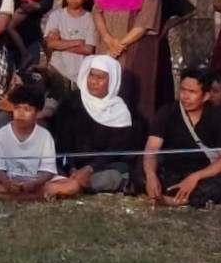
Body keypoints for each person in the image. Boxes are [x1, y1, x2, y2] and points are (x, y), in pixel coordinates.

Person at [143, 67, 221, 208]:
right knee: (141, 165)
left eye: (192, 92)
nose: (185, 96)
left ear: (206, 96)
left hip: (204, 173)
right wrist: (151, 176)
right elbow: (152, 148)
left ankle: (179, 200)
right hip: (172, 170)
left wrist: (195, 177)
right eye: (183, 90)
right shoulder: (166, 112)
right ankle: (169, 194)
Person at [47, 54, 146, 194]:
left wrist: (90, 168)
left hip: (103, 168)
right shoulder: (72, 102)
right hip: (71, 167)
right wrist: (72, 168)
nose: (94, 81)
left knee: (112, 177)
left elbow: (116, 152)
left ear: (112, 81)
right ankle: (70, 185)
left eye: (100, 78)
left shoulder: (121, 112)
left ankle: (68, 187)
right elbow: (63, 140)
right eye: (91, 76)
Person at [92, 0, 162, 123]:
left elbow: (144, 23)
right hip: (107, 46)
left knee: (131, 95)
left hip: (134, 49)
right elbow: (97, 12)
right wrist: (108, 40)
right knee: (104, 94)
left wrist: (119, 45)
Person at [0, 81, 66, 202]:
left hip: (35, 183)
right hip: (10, 181)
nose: (21, 114)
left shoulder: (45, 136)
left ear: (37, 113)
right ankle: (32, 198)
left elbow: (48, 171)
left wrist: (35, 183)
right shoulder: (3, 133)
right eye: (17, 108)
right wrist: (7, 183)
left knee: (71, 185)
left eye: (27, 109)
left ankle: (17, 197)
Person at [43, 0, 98, 85]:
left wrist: (60, 44)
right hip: (57, 72)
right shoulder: (56, 15)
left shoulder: (91, 19)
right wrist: (78, 42)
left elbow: (88, 49)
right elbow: (50, 44)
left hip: (80, 76)